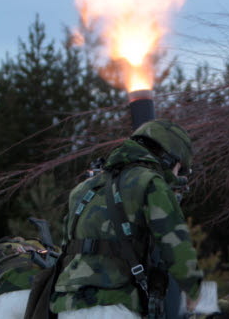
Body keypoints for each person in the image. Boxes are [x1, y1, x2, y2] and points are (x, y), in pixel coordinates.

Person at [51, 119, 207, 319]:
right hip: (115, 305)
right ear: (169, 160)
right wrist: (196, 295)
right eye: (179, 169)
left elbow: (66, 249)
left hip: (68, 307)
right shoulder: (150, 183)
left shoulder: (82, 189)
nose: (177, 175)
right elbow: (176, 246)